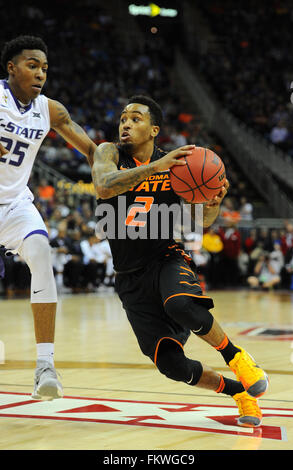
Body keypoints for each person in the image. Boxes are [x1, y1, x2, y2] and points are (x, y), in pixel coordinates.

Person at [91, 95, 268, 427]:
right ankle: (239, 393)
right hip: (129, 277)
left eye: (136, 119)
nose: (125, 124)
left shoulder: (178, 167)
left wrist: (213, 201)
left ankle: (238, 358)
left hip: (165, 257)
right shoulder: (110, 153)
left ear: (154, 129)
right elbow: (103, 187)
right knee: (171, 365)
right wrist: (155, 168)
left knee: (181, 304)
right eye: (123, 119)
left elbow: (201, 221)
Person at [0, 35, 97, 400]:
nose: (40, 73)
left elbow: (91, 151)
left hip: (14, 206)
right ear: (11, 67)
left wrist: (113, 170)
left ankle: (45, 366)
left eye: (44, 68)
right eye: (31, 65)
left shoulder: (49, 110)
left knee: (42, 254)